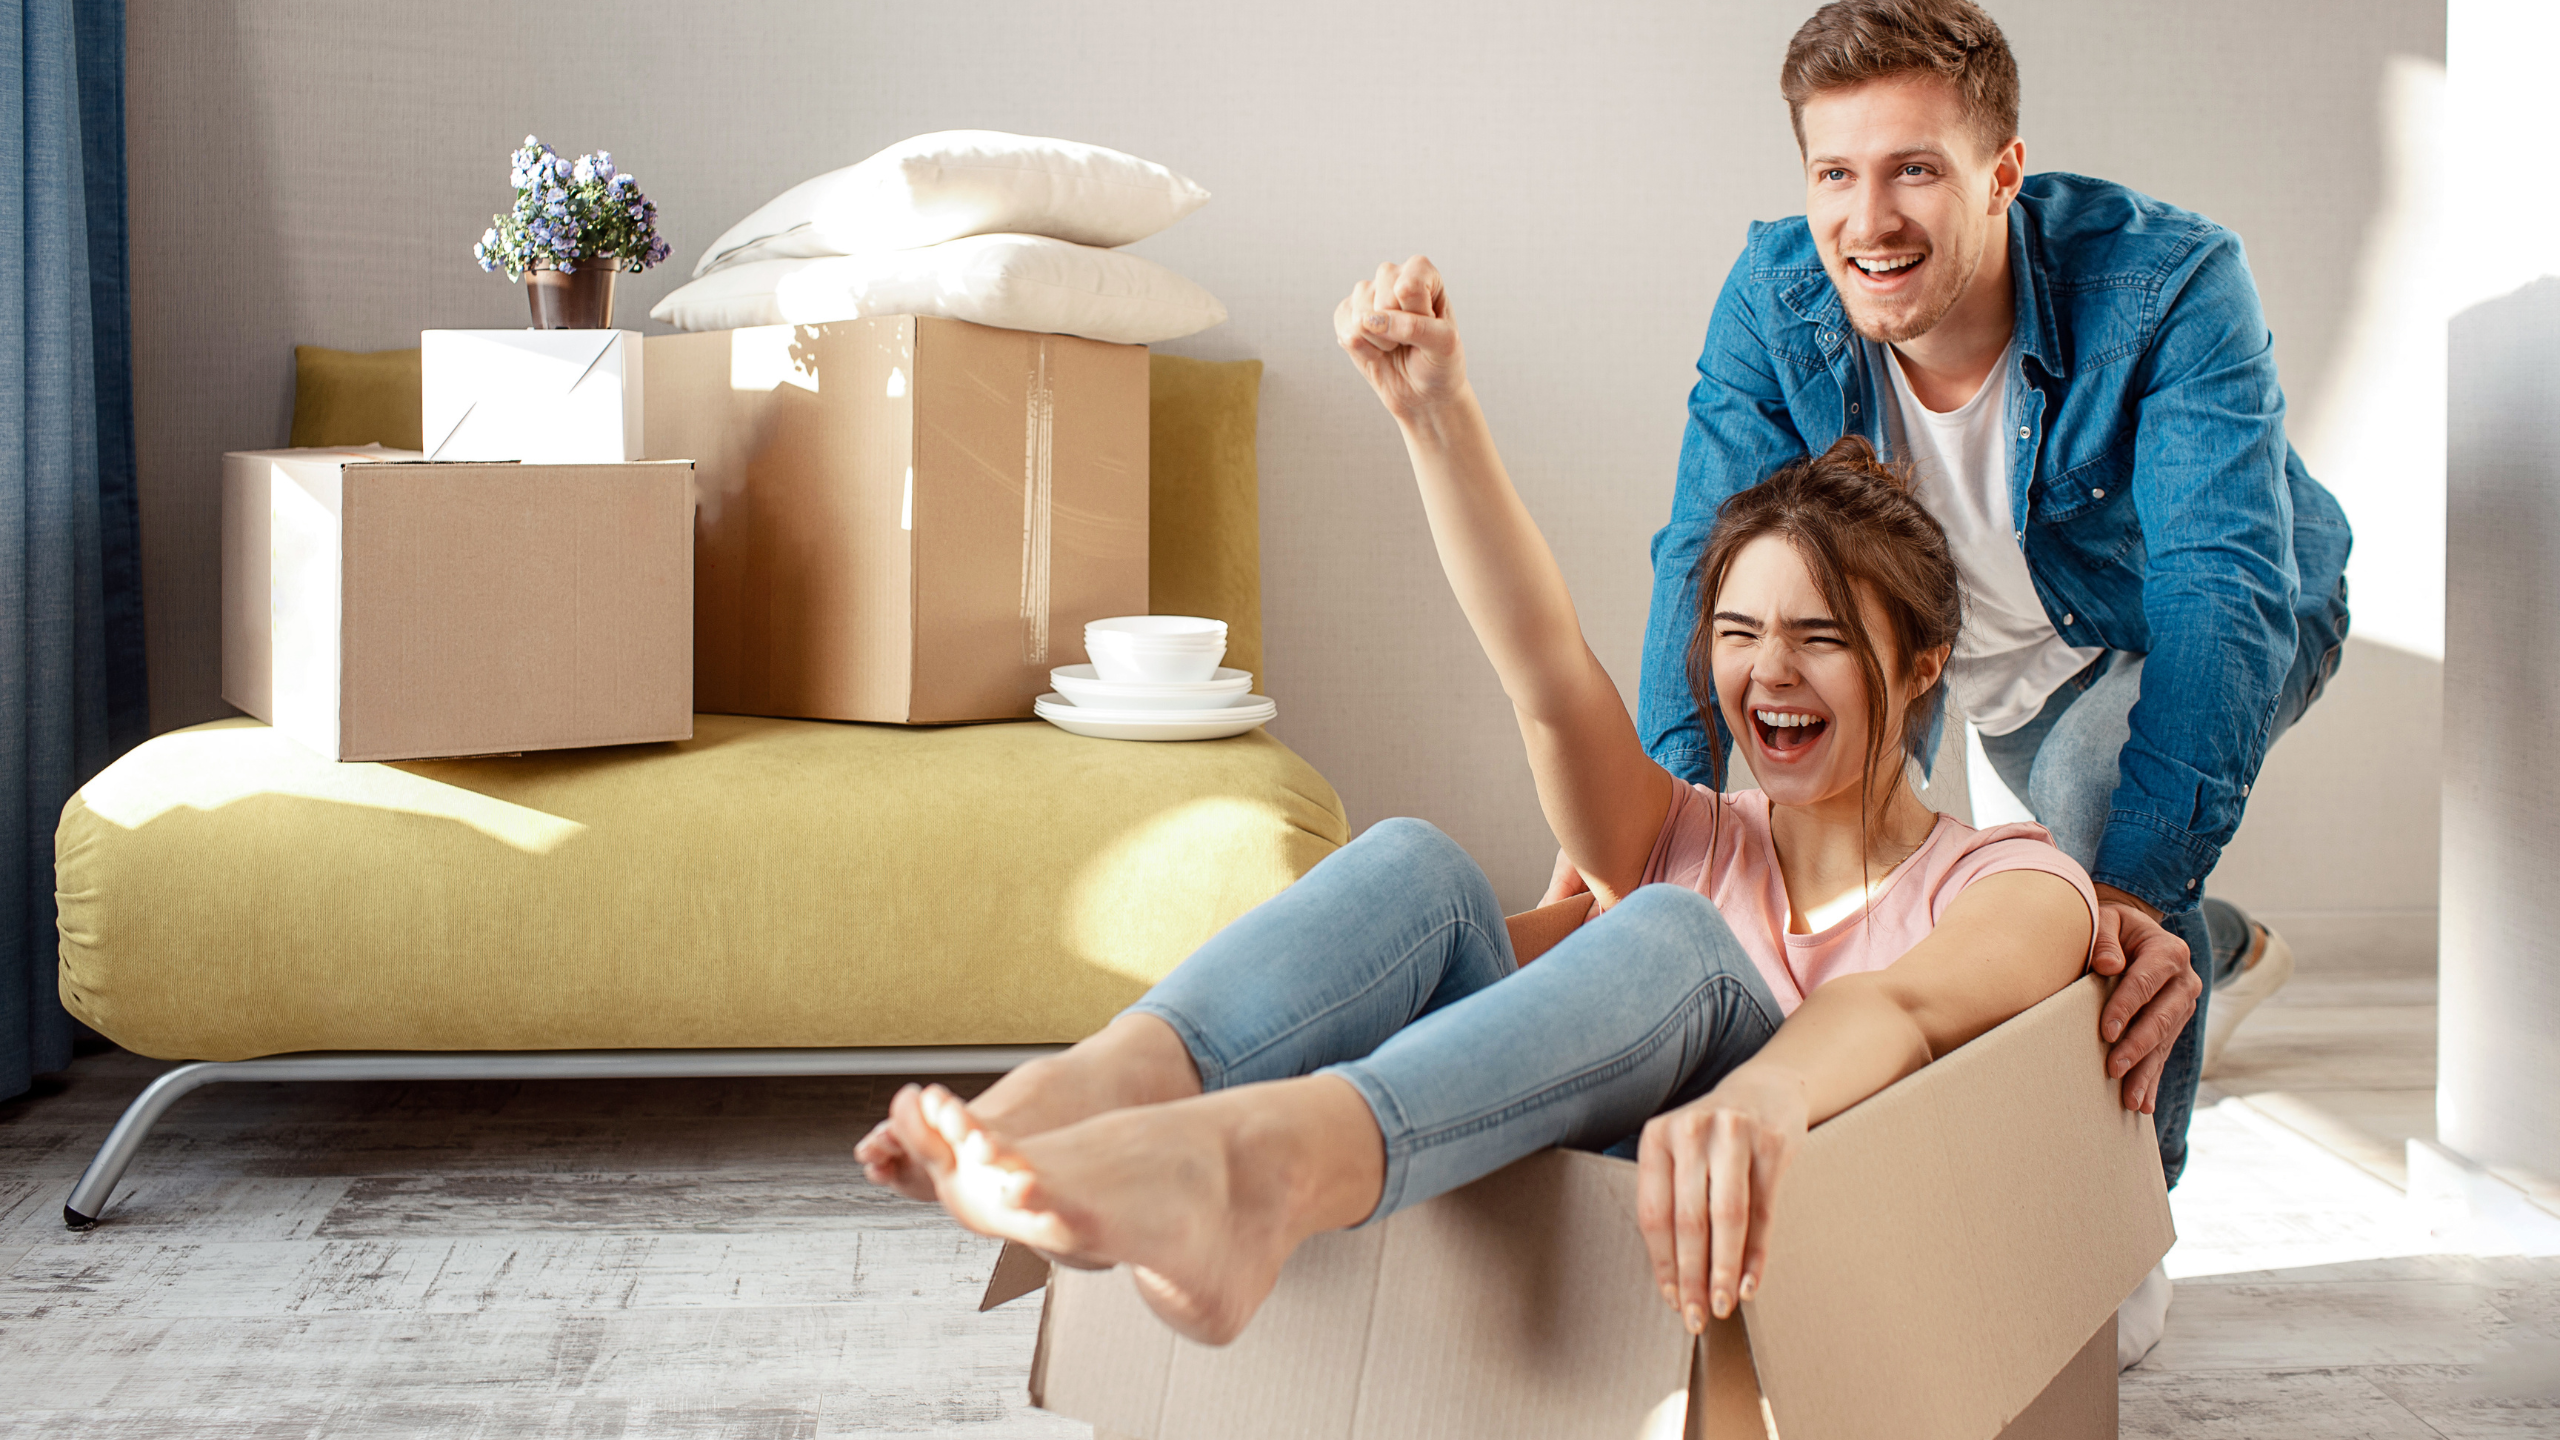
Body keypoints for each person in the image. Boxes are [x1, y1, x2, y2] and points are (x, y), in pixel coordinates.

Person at [856, 258, 2102, 1351]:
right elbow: (1546, 671)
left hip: (1738, 1251)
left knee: (1669, 934)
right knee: (1418, 864)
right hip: (1510, 1169)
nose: (1766, 672)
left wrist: (1761, 1093)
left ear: (1922, 665)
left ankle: (1269, 1170)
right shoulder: (1682, 833)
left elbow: (1897, 1003)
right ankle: (1094, 1092)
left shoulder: (2009, 883)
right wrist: (1434, 413)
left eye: (1817, 638)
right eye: (1735, 633)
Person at [1596, 0, 2351, 1217]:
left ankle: (2116, 1221)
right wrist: (1647, 839)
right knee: (1859, 851)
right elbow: (1709, 562)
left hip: (2171, 618)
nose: (1867, 219)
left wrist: (2133, 899)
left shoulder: (2171, 281)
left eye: (1913, 171)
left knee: (2095, 833)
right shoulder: (1776, 297)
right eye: (1834, 172)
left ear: (2001, 172)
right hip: (1956, 639)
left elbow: (2220, 592)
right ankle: (2221, 940)